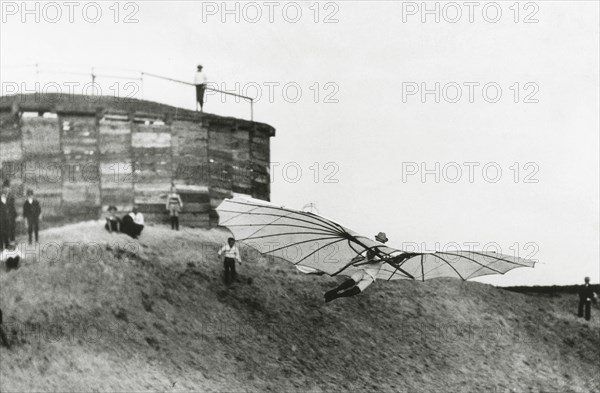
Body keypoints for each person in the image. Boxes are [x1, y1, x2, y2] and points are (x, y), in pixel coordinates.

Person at [324, 232, 389, 303]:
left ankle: (336, 296)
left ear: (384, 242)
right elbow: (370, 256)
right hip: (363, 270)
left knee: (356, 291)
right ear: (376, 239)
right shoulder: (371, 247)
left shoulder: (385, 252)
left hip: (371, 276)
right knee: (351, 282)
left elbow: (394, 260)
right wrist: (375, 251)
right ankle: (335, 290)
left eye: (381, 241)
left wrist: (401, 257)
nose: (379, 242)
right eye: (378, 240)